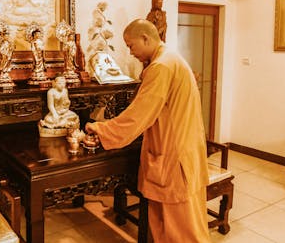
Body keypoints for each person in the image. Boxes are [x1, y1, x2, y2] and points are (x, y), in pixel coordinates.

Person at [85, 19, 210, 243]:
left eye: (131, 46)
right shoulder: (170, 58)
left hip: (174, 157)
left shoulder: (161, 66)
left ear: (146, 38)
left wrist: (101, 129)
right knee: (177, 222)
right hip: (184, 150)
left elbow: (139, 116)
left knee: (180, 230)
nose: (130, 52)